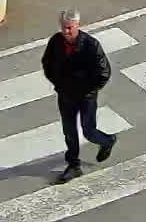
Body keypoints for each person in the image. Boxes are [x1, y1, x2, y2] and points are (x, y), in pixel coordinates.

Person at [41, 9, 116, 183]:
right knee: (69, 132)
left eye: (69, 28)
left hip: (85, 97)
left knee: (88, 131)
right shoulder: (56, 42)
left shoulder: (91, 45)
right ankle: (73, 165)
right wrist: (58, 83)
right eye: (63, 28)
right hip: (65, 95)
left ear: (77, 25)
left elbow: (104, 72)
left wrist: (88, 90)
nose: (66, 32)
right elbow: (47, 63)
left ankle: (106, 141)